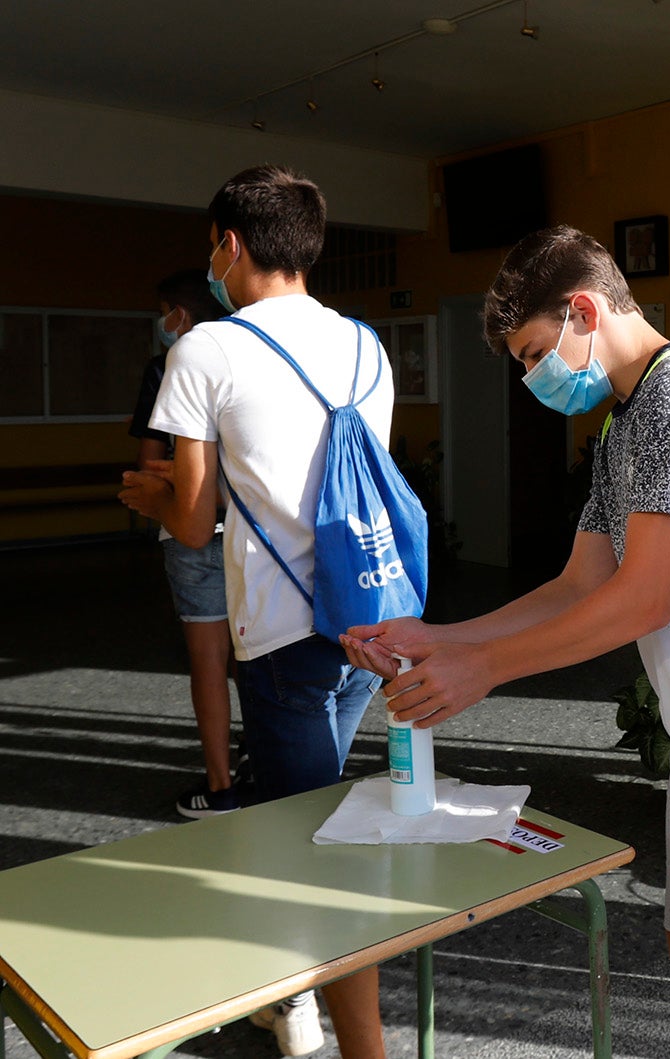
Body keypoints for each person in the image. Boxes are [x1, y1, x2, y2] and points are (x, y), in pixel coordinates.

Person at [340, 225, 670, 1059]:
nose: (537, 376)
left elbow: (641, 599)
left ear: (583, 309)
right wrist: (439, 638)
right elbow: (579, 583)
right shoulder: (623, 425)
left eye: (537, 350)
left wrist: (486, 667)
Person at [119, 165, 388, 1059]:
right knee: (299, 809)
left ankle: (328, 1026)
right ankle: (289, 992)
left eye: (211, 246)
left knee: (309, 841)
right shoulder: (367, 345)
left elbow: (195, 522)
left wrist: (146, 497)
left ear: (230, 245)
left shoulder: (205, 349)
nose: (210, 265)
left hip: (281, 632)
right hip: (368, 619)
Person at [128, 269, 241, 818]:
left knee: (209, 663)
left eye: (168, 310)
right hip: (252, 531)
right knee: (261, 657)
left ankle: (221, 785)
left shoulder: (171, 365)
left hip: (190, 529)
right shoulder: (248, 354)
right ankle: (264, 766)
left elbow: (149, 465)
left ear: (183, 314)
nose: (165, 323)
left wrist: (180, 477)